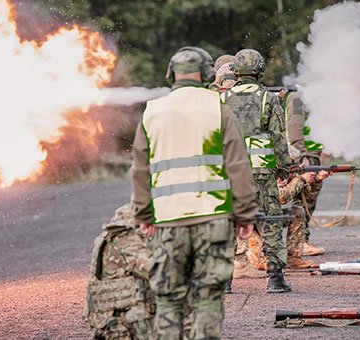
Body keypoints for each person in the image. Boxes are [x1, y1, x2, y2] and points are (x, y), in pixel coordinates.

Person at [130, 46, 257, 339]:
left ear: (171, 74)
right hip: (214, 220)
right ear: (207, 73)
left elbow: (139, 170)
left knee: (168, 299)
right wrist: (245, 214)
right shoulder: (218, 109)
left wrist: (143, 214)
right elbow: (239, 165)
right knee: (208, 298)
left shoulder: (152, 112)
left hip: (168, 222)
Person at [221, 49, 295, 293]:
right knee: (271, 220)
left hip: (232, 172)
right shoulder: (268, 99)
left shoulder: (223, 99)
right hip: (263, 173)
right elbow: (278, 137)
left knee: (229, 221)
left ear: (236, 71)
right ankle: (275, 278)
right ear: (260, 70)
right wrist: (285, 168)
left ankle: (224, 281)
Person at [85, 203, 155, 339]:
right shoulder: (125, 238)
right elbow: (159, 273)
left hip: (132, 321)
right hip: (125, 328)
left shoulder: (127, 228)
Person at [280, 89, 326, 257]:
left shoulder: (314, 96)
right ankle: (301, 242)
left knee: (309, 199)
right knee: (303, 199)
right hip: (303, 156)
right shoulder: (298, 97)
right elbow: (294, 126)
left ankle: (302, 241)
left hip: (311, 154)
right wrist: (302, 155)